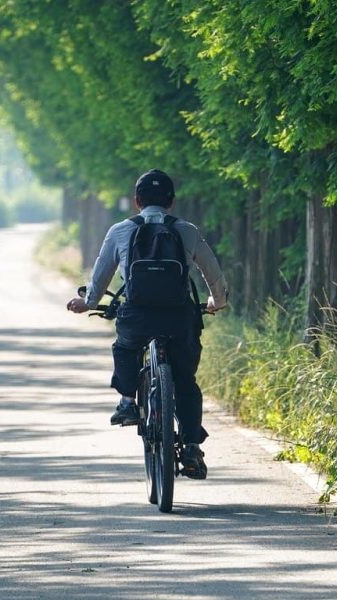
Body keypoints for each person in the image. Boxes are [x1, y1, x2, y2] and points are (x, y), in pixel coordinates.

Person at [66, 169, 228, 479]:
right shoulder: (187, 230)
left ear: (137, 201)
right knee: (186, 381)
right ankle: (191, 445)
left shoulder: (120, 230)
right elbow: (212, 271)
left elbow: (101, 275)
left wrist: (88, 302)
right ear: (172, 201)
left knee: (125, 347)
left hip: (137, 315)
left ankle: (127, 401)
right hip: (180, 317)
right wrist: (216, 302)